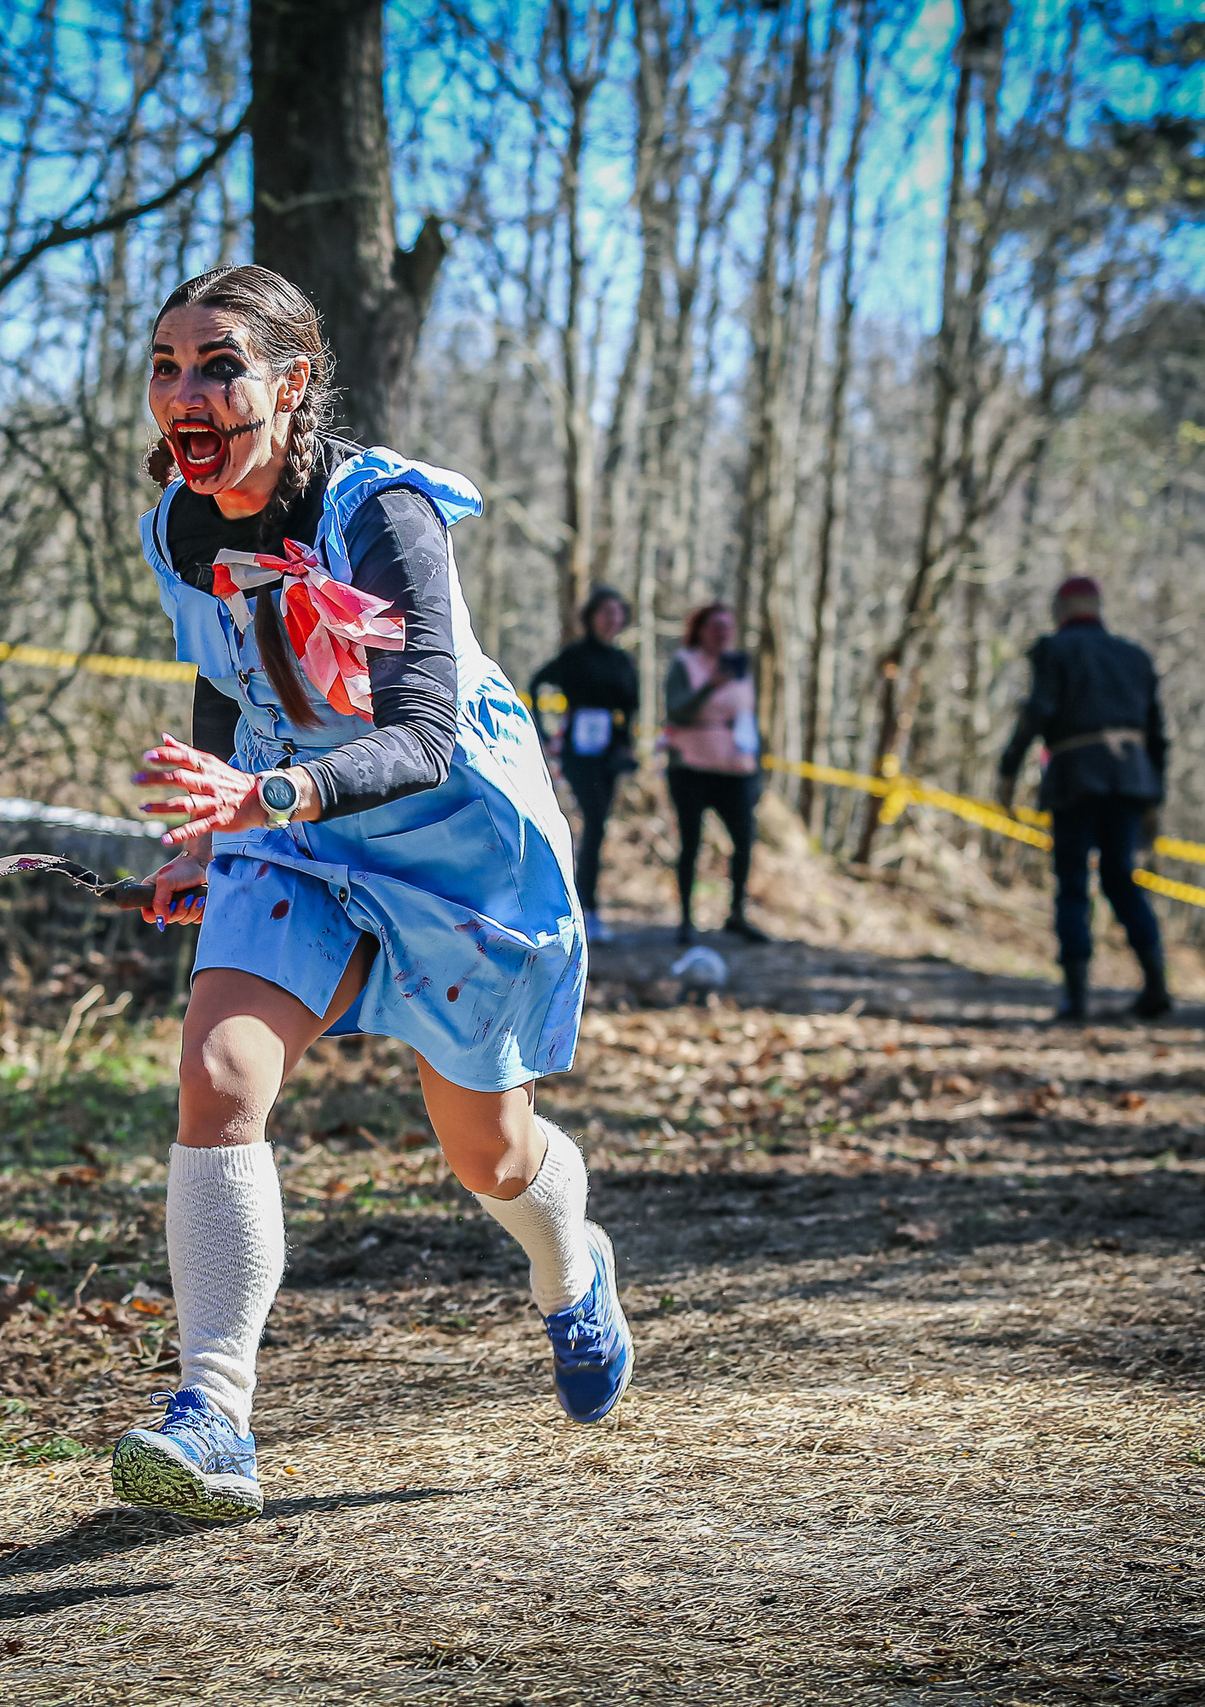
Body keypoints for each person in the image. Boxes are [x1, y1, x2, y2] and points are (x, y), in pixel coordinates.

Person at [118, 265, 632, 1521]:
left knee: (488, 1153)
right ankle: (214, 1416)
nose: (185, 392)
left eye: (219, 365)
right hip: (290, 835)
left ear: (292, 385)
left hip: (453, 838)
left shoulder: (380, 511)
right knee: (219, 1075)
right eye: (166, 364)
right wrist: (206, 828)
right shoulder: (179, 524)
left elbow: (422, 736)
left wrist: (264, 801)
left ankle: (573, 1268)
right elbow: (226, 678)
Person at [994, 575, 1172, 1024]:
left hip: (1076, 776)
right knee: (1120, 878)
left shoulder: (1055, 650)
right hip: (1132, 780)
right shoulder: (1135, 657)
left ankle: (1077, 997)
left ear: (1063, 608)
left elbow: (1038, 712)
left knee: (1073, 881)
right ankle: (1156, 984)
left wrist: (1007, 770)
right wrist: (1154, 794)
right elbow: (1158, 736)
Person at [528, 586, 638, 943]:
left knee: (598, 827)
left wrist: (628, 748)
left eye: (617, 613)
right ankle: (574, 904)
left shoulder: (623, 661)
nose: (612, 619)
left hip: (609, 754)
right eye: (605, 612)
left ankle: (588, 905)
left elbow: (631, 710)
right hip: (578, 751)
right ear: (591, 616)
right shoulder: (575, 656)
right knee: (588, 821)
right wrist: (543, 733)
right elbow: (537, 682)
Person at [661, 601, 768, 946]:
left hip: (735, 771)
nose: (722, 633)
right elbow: (677, 713)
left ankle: (736, 913)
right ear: (701, 630)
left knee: (744, 839)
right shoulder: (685, 665)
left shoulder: (741, 668)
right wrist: (711, 685)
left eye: (727, 627)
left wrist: (758, 770)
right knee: (691, 843)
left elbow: (749, 719)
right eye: (715, 626)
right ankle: (686, 920)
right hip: (690, 768)